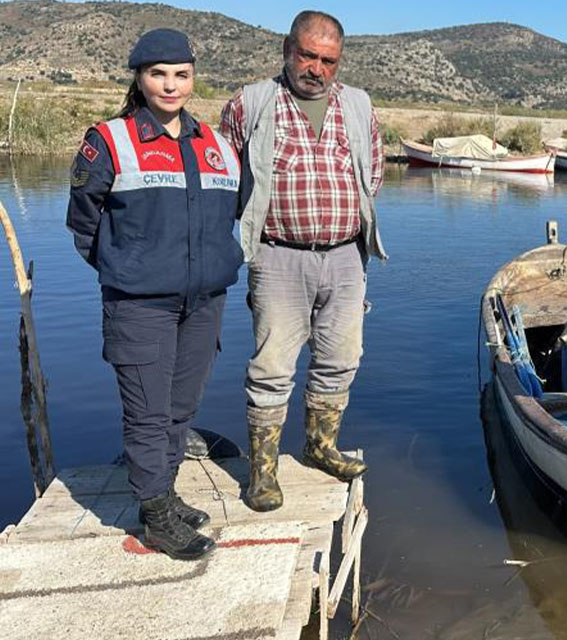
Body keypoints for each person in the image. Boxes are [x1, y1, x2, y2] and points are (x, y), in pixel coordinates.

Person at [66, 29, 243, 560]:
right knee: (146, 414)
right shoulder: (110, 140)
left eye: (181, 74)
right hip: (140, 304)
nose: (170, 85)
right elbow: (84, 225)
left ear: (193, 78)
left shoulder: (215, 145)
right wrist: (131, 269)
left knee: (179, 410)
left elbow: (230, 215)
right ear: (139, 78)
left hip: (204, 302)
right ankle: (156, 516)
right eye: (157, 73)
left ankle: (162, 494)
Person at [220, 10, 385, 512]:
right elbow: (223, 176)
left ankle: (320, 446)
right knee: (271, 367)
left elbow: (371, 173)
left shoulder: (358, 105)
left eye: (328, 60)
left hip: (345, 259)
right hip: (277, 257)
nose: (316, 68)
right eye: (307, 55)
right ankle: (263, 473)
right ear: (286, 50)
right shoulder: (251, 102)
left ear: (339, 62)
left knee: (340, 360)